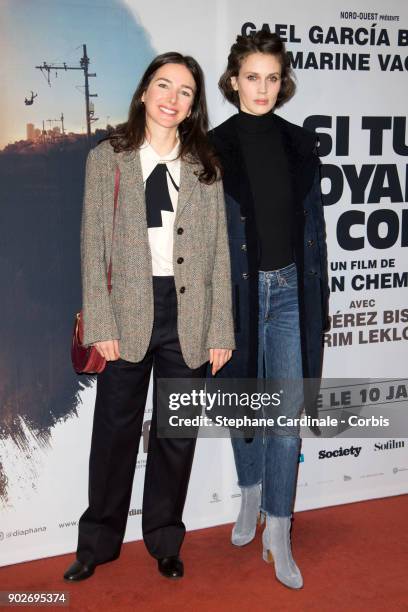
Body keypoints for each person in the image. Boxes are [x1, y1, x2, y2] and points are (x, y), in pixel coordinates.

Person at [64, 52, 234, 582]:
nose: (172, 98)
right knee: (113, 432)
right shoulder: (107, 158)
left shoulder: (204, 165)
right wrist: (102, 323)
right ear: (144, 92)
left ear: (192, 106)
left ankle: (164, 538)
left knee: (175, 432)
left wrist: (220, 328)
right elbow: (93, 247)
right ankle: (96, 543)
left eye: (185, 92)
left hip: (190, 313)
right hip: (126, 313)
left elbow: (219, 253)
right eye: (164, 85)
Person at [210, 31, 330, 589]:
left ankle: (278, 528)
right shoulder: (208, 149)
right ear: (234, 80)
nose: (262, 88)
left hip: (289, 294)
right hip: (237, 294)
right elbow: (206, 244)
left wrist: (319, 305)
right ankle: (251, 493)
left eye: (272, 78)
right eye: (251, 77)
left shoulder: (300, 144)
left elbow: (317, 236)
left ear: (283, 84)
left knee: (285, 417)